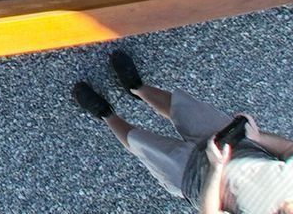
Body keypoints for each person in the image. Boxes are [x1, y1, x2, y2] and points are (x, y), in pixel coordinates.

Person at [72, 48, 293, 213]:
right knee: (179, 105)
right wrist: (257, 137)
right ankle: (137, 88)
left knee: (139, 143)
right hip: (229, 139)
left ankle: (106, 114)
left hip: (189, 176)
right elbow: (288, 150)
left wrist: (216, 169)